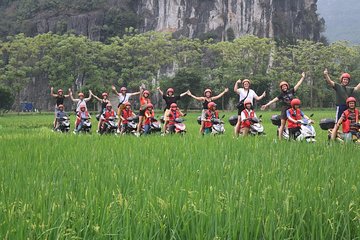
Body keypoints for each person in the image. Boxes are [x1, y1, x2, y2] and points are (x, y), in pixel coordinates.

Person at [261, 72, 305, 140]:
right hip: (285, 109)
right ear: (281, 88)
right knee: (283, 125)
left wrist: (302, 77)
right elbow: (273, 100)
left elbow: (298, 85)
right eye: (282, 86)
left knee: (297, 123)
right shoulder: (281, 95)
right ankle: (280, 139)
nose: (284, 87)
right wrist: (266, 105)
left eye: (285, 86)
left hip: (292, 109)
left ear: (287, 86)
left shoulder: (291, 91)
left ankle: (296, 137)